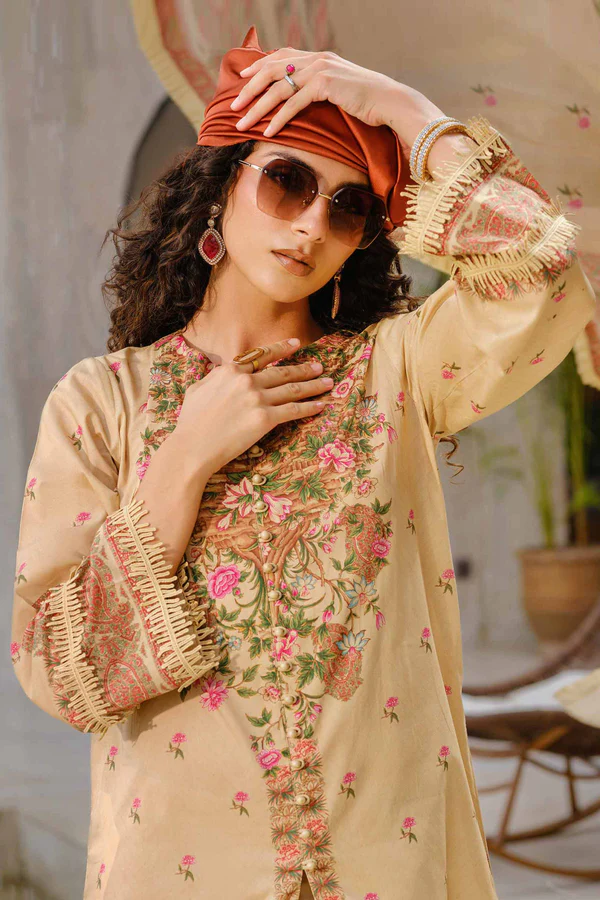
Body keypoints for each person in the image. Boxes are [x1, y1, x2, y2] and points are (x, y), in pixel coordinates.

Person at [11, 24, 596, 900]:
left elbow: (544, 277)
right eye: (286, 181)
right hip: (181, 870)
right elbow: (58, 669)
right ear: (220, 188)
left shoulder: (393, 374)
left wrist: (404, 111)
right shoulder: (101, 405)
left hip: (383, 865)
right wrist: (184, 459)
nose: (312, 222)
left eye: (348, 206)